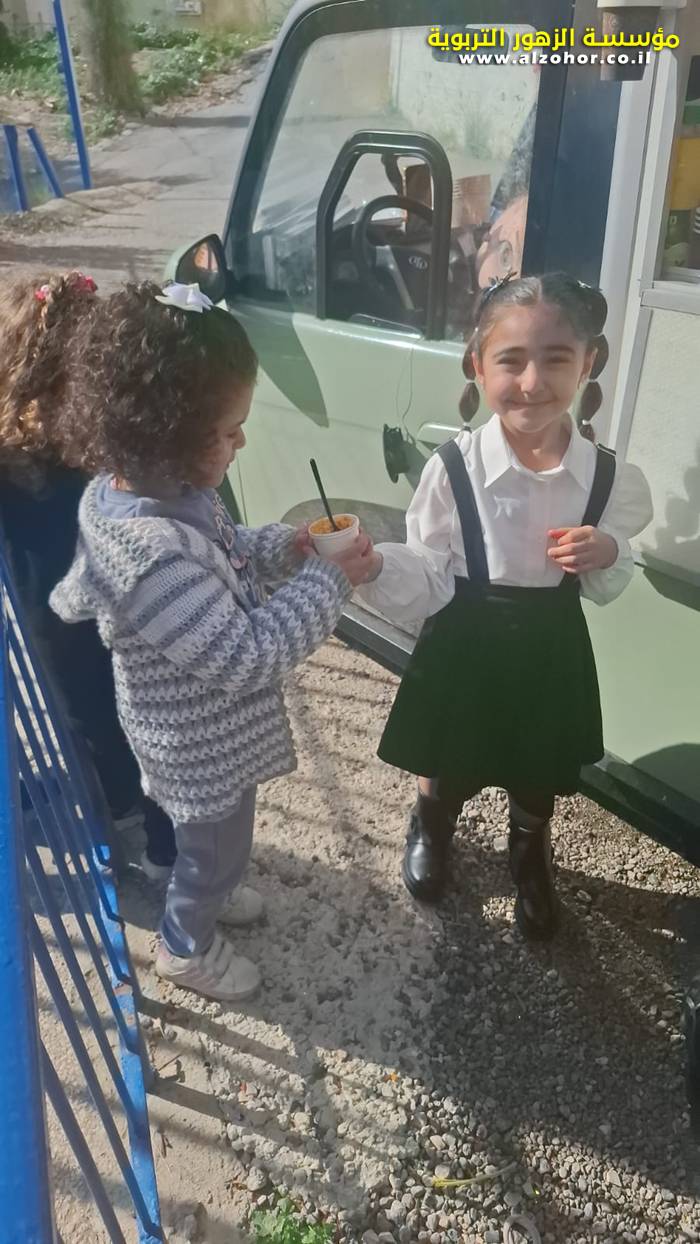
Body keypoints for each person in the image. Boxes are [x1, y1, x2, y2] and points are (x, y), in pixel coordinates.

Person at [50, 280, 377, 1002]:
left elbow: (223, 550)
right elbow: (246, 655)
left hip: (204, 735)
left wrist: (286, 547)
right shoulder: (151, 563)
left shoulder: (164, 491)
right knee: (215, 854)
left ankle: (208, 891)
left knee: (212, 848)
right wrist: (329, 581)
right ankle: (185, 946)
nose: (241, 442)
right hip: (200, 750)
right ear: (165, 432)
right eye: (228, 432)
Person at [355, 272, 653, 940]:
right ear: (477, 365)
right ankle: (433, 824)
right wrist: (377, 566)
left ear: (588, 363)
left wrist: (607, 550)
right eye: (511, 360)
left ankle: (528, 851)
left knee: (536, 761)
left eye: (556, 359)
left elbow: (612, 575)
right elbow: (430, 568)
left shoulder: (608, 478)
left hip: (550, 645)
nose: (532, 382)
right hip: (464, 639)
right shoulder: (453, 468)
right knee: (449, 750)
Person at [0, 271, 177, 874]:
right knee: (100, 726)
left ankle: (146, 831)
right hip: (66, 623)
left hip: (103, 612)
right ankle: (136, 834)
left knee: (124, 721)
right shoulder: (15, 453)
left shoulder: (102, 437)